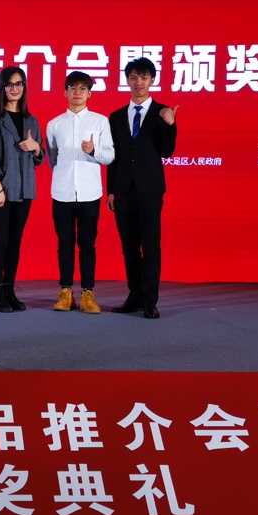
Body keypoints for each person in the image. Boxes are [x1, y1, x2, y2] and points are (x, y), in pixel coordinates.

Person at [107, 58, 178, 319]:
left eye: (144, 77)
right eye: (134, 77)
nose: (139, 82)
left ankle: (150, 300)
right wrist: (111, 190)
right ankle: (134, 296)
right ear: (127, 80)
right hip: (123, 190)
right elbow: (113, 156)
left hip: (150, 190)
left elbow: (166, 151)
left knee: (150, 247)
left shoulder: (163, 112)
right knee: (129, 248)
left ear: (152, 80)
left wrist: (170, 125)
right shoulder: (115, 116)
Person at [46, 71, 114, 314]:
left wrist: (94, 151)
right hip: (62, 191)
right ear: (65, 92)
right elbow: (52, 158)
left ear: (89, 94)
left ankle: (88, 293)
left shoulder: (100, 121)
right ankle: (66, 293)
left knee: (87, 244)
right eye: (73, 87)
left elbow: (110, 156)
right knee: (64, 244)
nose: (77, 92)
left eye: (83, 88)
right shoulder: (54, 124)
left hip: (89, 192)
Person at [0, 66, 44, 313]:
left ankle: (9, 289)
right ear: (2, 88)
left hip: (24, 188)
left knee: (15, 242)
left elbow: (39, 158)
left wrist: (36, 148)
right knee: (0, 240)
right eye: (10, 84)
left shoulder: (32, 120)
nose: (15, 88)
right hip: (1, 189)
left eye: (19, 83)